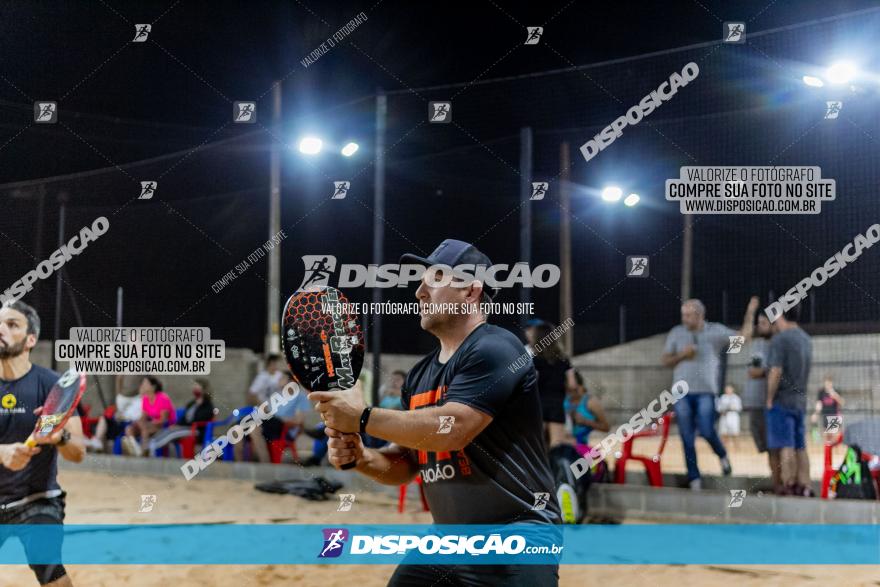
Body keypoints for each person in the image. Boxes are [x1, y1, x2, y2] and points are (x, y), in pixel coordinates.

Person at [311, 239, 561, 586]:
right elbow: (408, 462)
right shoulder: (418, 376)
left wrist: (362, 418)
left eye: (436, 278)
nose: (419, 292)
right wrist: (363, 457)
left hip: (517, 535)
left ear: (471, 292)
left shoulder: (497, 347)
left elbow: (454, 427)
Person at [0, 301, 86, 586]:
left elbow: (78, 453)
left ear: (30, 340)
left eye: (12, 325)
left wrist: (59, 437)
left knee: (46, 563)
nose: (1, 329)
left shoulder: (52, 384)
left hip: (37, 500)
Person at [661, 296, 759, 489]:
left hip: (706, 392)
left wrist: (750, 313)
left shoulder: (715, 332)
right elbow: (665, 360)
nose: (684, 319)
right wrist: (682, 355)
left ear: (700, 315)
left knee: (707, 429)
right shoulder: (676, 333)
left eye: (688, 315)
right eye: (683, 315)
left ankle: (722, 455)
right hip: (681, 394)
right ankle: (694, 478)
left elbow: (743, 338)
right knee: (686, 437)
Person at [766, 303, 813, 496]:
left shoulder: (780, 339)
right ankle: (806, 486)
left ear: (781, 316)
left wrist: (769, 397)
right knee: (800, 445)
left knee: (786, 444)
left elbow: (776, 371)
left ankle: (789, 484)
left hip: (783, 399)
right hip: (800, 399)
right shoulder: (806, 339)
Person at [743, 313, 780, 489]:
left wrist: (769, 372)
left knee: (775, 446)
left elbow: (758, 371)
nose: (760, 326)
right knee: (766, 447)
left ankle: (779, 485)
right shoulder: (757, 344)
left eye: (764, 323)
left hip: (770, 403)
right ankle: (777, 483)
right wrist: (770, 371)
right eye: (759, 323)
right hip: (755, 402)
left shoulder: (778, 344)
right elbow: (753, 372)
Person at [526, 320, 577, 450]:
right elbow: (572, 385)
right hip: (557, 405)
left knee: (538, 446)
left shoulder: (534, 360)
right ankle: (556, 470)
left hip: (538, 405)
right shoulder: (564, 360)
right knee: (556, 445)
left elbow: (530, 383)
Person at [147, 379, 216, 454]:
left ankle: (151, 448)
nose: (194, 388)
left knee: (172, 433)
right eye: (194, 386)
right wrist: (177, 425)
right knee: (168, 430)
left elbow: (198, 419)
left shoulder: (208, 406)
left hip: (196, 430)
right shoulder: (191, 404)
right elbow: (184, 418)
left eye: (197, 386)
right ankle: (150, 445)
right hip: (186, 428)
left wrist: (180, 426)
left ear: (203, 389)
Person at [235, 354, 283, 462]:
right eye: (274, 363)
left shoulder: (281, 376)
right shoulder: (262, 377)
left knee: (254, 429)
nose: (276, 366)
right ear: (269, 364)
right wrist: (261, 404)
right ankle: (239, 464)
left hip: (275, 417)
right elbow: (251, 394)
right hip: (262, 414)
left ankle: (265, 464)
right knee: (237, 429)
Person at [84, 375, 142, 452]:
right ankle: (97, 442)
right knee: (104, 419)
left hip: (130, 424)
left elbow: (140, 417)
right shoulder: (121, 398)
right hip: (120, 422)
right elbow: (119, 379)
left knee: (125, 430)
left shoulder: (142, 400)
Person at [122, 376, 176, 456]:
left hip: (165, 426)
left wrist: (146, 424)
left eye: (146, 383)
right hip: (151, 425)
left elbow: (163, 420)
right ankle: (135, 449)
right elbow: (143, 417)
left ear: (153, 387)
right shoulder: (145, 399)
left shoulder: (163, 398)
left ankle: (144, 450)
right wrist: (137, 423)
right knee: (129, 429)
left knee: (145, 428)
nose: (143, 385)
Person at [564, 371, 609, 446]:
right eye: (568, 390)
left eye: (574, 390)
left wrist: (585, 422)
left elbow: (606, 427)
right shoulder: (564, 399)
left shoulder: (591, 402)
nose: (571, 393)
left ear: (581, 386)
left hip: (581, 444)